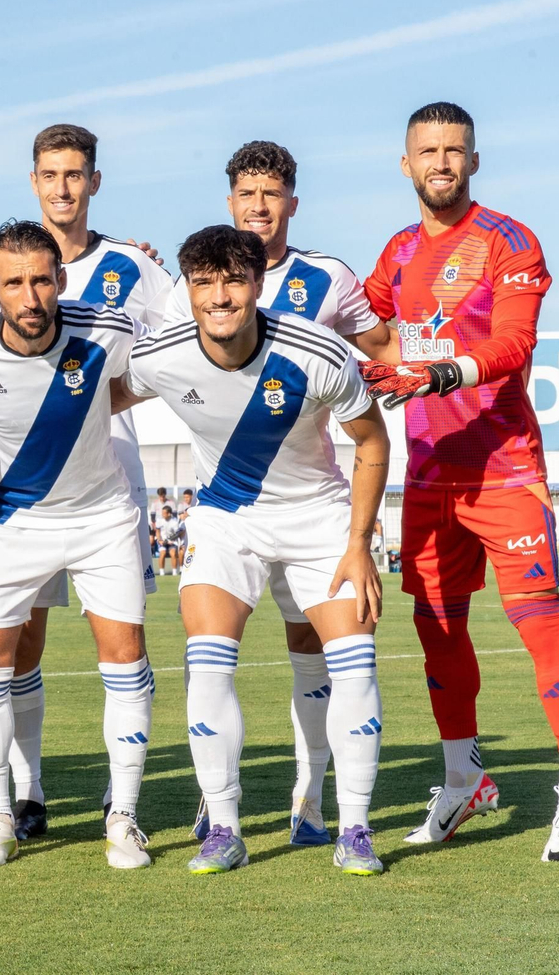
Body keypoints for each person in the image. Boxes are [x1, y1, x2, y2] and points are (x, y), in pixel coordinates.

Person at [361, 102, 559, 863]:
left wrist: (434, 371)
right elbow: (349, 323)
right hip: (429, 476)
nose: (440, 162)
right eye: (426, 150)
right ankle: (464, 778)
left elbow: (513, 344)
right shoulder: (396, 252)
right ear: (405, 164)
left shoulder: (508, 241)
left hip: (504, 471)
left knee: (539, 626)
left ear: (473, 159)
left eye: (453, 150)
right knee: (436, 632)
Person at [114, 224, 391, 875]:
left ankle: (354, 829)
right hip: (226, 518)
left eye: (233, 280)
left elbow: (373, 443)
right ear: (189, 290)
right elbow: (97, 400)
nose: (219, 297)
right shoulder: (164, 356)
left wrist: (357, 544)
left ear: (258, 284)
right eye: (204, 283)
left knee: (353, 660)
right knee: (207, 662)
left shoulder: (317, 351)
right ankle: (225, 828)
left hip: (319, 517)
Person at [162, 140, 399, 847]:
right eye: (246, 194)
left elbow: (384, 351)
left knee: (319, 651)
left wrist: (445, 363)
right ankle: (220, 812)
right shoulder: (195, 287)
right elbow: (141, 366)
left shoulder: (329, 281)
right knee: (207, 653)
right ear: (230, 202)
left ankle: (318, 802)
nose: (259, 206)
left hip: (315, 500)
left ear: (292, 202)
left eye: (271, 194)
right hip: (230, 504)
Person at [0, 124, 174, 840]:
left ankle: (124, 815)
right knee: (18, 644)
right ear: (34, 182)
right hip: (15, 494)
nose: (63, 186)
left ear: (94, 181)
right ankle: (23, 794)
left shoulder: (129, 271)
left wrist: (100, 396)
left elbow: (179, 345)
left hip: (106, 483)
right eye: (50, 174)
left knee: (121, 644)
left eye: (75, 174)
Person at [0, 220, 152, 869]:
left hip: (100, 518)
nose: (31, 296)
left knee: (125, 654)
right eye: (15, 283)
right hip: (7, 523)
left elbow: (171, 365)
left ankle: (123, 820)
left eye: (42, 280)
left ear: (62, 280)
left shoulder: (107, 329)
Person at [156, 506, 184, 575]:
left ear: (169, 514)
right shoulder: (159, 520)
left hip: (172, 542)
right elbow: (157, 531)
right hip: (162, 542)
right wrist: (160, 540)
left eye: (164, 513)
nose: (162, 514)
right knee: (162, 553)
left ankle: (174, 572)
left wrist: (171, 541)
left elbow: (177, 534)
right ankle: (161, 573)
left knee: (173, 553)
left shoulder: (174, 522)